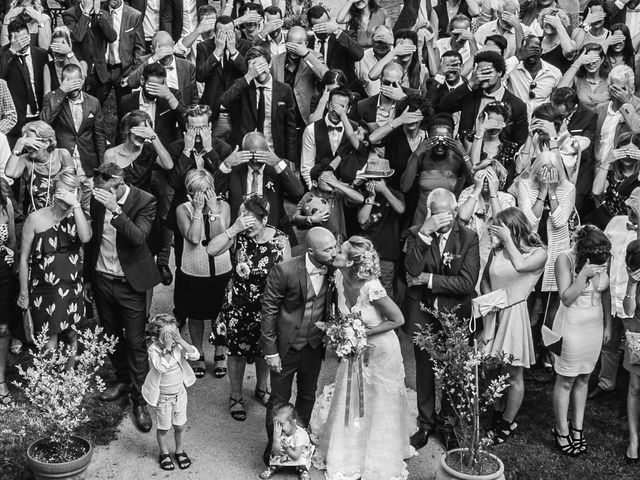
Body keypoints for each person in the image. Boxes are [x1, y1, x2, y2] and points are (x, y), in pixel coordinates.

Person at [311, 236, 413, 479]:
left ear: (349, 263)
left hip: (380, 351)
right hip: (355, 349)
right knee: (352, 398)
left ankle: (377, 454)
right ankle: (349, 450)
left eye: (339, 251)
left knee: (377, 401)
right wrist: (344, 333)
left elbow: (397, 320)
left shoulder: (372, 288)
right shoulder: (337, 276)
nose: (334, 252)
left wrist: (360, 333)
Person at [86, 162, 162, 433]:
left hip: (131, 284)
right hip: (102, 279)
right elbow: (93, 241)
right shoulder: (97, 197)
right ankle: (122, 380)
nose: (99, 193)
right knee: (111, 336)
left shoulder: (145, 201)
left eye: (104, 189)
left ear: (117, 184)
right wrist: (88, 280)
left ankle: (140, 400)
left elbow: (139, 238)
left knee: (136, 341)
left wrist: (115, 210)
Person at [403, 188, 480, 449]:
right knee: (424, 371)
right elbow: (410, 270)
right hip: (424, 313)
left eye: (445, 215)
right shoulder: (417, 233)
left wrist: (429, 279)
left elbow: (467, 283)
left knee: (450, 371)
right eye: (435, 215)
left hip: (454, 314)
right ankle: (425, 424)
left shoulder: (469, 237)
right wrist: (425, 233)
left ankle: (447, 424)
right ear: (429, 212)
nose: (441, 220)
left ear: (456, 212)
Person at [207, 196, 291, 421]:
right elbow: (212, 250)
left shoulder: (281, 240)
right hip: (239, 306)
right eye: (244, 221)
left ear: (264, 219)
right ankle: (235, 396)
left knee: (265, 350)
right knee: (237, 353)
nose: (248, 227)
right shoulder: (239, 236)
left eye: (252, 222)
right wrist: (233, 229)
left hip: (268, 308)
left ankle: (262, 388)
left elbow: (288, 276)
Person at [260, 226, 338, 465]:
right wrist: (271, 350)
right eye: (328, 249)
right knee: (278, 401)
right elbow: (269, 310)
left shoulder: (334, 269)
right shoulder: (284, 270)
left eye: (335, 246)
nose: (334, 252)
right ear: (311, 250)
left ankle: (298, 444)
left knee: (307, 395)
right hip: (286, 348)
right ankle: (274, 446)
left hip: (314, 346)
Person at [480, 207, 547, 444]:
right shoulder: (497, 250)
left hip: (515, 314)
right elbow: (486, 279)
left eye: (501, 227)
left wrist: (508, 239)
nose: (497, 233)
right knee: (491, 370)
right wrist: (490, 303)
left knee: (513, 373)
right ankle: (497, 415)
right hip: (494, 312)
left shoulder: (539, 253)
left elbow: (519, 266)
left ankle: (507, 424)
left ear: (512, 227)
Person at [551, 225, 612, 456]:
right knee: (566, 379)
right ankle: (561, 429)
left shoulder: (601, 258)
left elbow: (605, 292)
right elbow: (566, 298)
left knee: (585, 378)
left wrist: (607, 323)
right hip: (572, 326)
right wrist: (584, 275)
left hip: (594, 326)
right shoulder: (564, 259)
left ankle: (577, 428)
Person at [17, 168, 91, 353]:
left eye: (71, 192)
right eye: (61, 192)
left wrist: (76, 206)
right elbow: (24, 258)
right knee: (48, 339)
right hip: (44, 286)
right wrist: (24, 292)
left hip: (72, 283)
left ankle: (70, 377)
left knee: (72, 335)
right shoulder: (35, 218)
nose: (65, 197)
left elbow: (85, 237)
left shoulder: (80, 216)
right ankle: (50, 379)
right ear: (53, 193)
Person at [174, 170, 232, 381]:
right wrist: (197, 211)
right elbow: (194, 237)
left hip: (221, 269)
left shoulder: (223, 206)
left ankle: (220, 352)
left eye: (206, 190)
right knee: (195, 314)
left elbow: (219, 235)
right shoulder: (183, 209)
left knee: (221, 314)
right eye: (197, 191)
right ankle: (197, 353)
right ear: (189, 192)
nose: (203, 196)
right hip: (194, 270)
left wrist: (214, 210)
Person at [517, 152, 575, 355]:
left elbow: (560, 221)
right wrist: (541, 192)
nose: (548, 174)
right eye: (544, 170)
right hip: (532, 252)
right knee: (527, 303)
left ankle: (547, 351)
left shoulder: (569, 189)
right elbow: (528, 221)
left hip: (556, 254)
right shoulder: (525, 186)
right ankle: (526, 350)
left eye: (553, 171)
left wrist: (552, 192)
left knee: (552, 305)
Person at [588, 188, 640, 402]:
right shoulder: (617, 221)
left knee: (634, 348)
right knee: (608, 341)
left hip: (634, 299)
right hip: (612, 291)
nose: (629, 210)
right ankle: (606, 382)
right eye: (629, 205)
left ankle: (632, 391)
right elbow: (605, 253)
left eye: (634, 207)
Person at [216, 131, 303, 244]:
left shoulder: (277, 167)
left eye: (259, 155)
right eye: (251, 155)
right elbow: (214, 191)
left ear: (267, 151)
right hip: (240, 234)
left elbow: (298, 192)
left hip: (274, 231)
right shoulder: (234, 168)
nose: (255, 160)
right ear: (243, 152)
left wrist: (278, 164)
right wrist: (225, 166)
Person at [221, 46, 298, 166]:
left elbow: (290, 129)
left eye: (261, 65)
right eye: (253, 66)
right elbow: (225, 100)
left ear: (270, 63)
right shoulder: (242, 86)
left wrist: (291, 160)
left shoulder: (284, 90)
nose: (258, 70)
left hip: (274, 153)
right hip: (247, 155)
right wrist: (248, 76)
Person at [142, 313, 200, 471]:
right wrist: (167, 348)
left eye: (174, 335)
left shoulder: (178, 346)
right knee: (163, 428)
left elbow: (195, 355)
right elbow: (161, 366)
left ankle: (179, 450)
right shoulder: (154, 350)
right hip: (164, 399)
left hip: (180, 395)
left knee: (180, 426)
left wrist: (181, 340)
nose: (172, 340)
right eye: (168, 337)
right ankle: (164, 453)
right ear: (155, 339)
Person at [439, 51, 529, 147]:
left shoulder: (517, 105)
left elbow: (519, 141)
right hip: (464, 154)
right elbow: (443, 107)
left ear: (500, 72)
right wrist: (470, 83)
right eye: (479, 72)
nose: (482, 77)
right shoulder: (469, 95)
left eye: (487, 72)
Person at [400, 113, 472, 227]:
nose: (440, 144)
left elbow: (474, 183)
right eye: (435, 139)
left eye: (445, 140)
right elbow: (404, 187)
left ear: (453, 137)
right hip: (422, 219)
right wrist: (416, 154)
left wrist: (464, 153)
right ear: (428, 136)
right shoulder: (421, 155)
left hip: (447, 220)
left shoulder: (458, 158)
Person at [40, 63, 106, 177]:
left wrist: (102, 165)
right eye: (69, 83)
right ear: (63, 82)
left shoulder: (93, 102)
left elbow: (99, 136)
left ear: (82, 80)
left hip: (87, 161)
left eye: (76, 82)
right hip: (62, 162)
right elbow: (44, 122)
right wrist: (61, 92)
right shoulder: (52, 98)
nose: (73, 87)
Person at [457, 160, 516, 280]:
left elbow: (501, 223)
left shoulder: (507, 199)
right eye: (482, 175)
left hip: (494, 255)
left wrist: (494, 192)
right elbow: (463, 216)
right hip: (468, 254)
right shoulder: (468, 193)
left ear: (498, 179)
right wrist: (477, 189)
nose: (485, 179)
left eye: (489, 176)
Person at [196, 14, 250, 141]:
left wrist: (233, 51)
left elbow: (248, 72)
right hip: (213, 110)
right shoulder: (204, 47)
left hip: (239, 109)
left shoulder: (245, 46)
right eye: (221, 33)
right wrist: (217, 51)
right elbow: (200, 76)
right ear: (215, 33)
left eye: (229, 32)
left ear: (235, 32)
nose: (225, 36)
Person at [4, 120, 76, 214]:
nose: (28, 146)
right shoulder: (25, 160)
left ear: (46, 143)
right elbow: (9, 173)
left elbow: (75, 187)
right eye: (26, 142)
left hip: (63, 214)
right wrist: (20, 143)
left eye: (31, 142)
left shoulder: (62, 155)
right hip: (36, 217)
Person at [357, 160, 406, 298]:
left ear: (385, 179)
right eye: (369, 179)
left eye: (377, 179)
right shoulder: (363, 194)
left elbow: (400, 209)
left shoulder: (395, 194)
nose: (372, 183)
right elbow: (362, 220)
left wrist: (384, 190)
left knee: (385, 291)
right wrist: (371, 198)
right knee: (364, 290)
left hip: (387, 254)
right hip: (366, 252)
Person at [0, 18, 48, 147]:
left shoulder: (40, 54)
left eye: (26, 38)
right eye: (20, 40)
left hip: (39, 117)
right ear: (12, 39)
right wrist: (12, 51)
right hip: (16, 122)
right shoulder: (4, 55)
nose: (24, 43)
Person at [270, 26, 328, 131]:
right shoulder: (275, 61)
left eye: (298, 45)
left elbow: (326, 77)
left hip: (305, 119)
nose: (294, 50)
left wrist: (305, 54)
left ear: (306, 44)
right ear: (286, 43)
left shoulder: (314, 57)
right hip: (282, 120)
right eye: (291, 45)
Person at [368, 93, 429, 192]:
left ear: (423, 117)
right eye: (408, 116)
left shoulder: (427, 136)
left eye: (415, 116)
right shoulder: (394, 134)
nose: (411, 120)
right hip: (395, 192)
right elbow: (372, 138)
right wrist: (400, 120)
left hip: (420, 195)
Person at [119, 62, 187, 149]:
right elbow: (122, 132)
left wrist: (171, 99)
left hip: (164, 151)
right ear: (142, 80)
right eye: (151, 86)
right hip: (137, 150)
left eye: (159, 86)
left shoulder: (173, 95)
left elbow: (186, 124)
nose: (155, 90)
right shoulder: (127, 101)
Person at [104, 111, 173, 194]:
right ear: (128, 129)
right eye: (140, 131)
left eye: (145, 132)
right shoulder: (112, 154)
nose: (142, 136)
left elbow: (168, 165)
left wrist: (153, 137)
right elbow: (106, 186)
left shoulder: (149, 149)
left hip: (145, 202)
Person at [293, 164, 365, 244]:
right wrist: (310, 219)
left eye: (332, 176)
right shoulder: (309, 196)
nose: (330, 180)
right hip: (320, 242)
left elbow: (360, 199)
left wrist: (337, 184)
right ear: (315, 183)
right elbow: (295, 218)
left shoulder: (336, 193)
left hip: (339, 240)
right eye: (326, 178)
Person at [127, 31, 199, 108]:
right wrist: (154, 58)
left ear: (173, 44)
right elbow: (131, 83)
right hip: (154, 112)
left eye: (168, 53)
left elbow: (194, 98)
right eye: (162, 53)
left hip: (179, 111)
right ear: (152, 49)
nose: (165, 56)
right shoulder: (144, 61)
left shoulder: (187, 66)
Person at [307, 5, 365, 95]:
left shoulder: (344, 37)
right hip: (320, 94)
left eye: (325, 24)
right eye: (319, 27)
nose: (324, 29)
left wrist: (337, 31)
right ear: (311, 27)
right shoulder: (308, 44)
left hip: (346, 92)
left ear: (329, 21)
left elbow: (359, 54)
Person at [505, 35, 562, 119]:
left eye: (534, 49)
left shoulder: (554, 73)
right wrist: (518, 58)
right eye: (527, 50)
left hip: (541, 121)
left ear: (541, 51)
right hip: (516, 120)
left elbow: (555, 102)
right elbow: (498, 73)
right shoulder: (512, 68)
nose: (530, 53)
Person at [592, 133, 640, 229]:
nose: (627, 156)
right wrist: (606, 162)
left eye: (632, 153)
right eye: (623, 152)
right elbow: (596, 191)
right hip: (611, 222)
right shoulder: (609, 171)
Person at [594, 65, 640, 165]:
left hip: (626, 170)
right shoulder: (600, 108)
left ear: (632, 89)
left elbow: (637, 130)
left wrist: (625, 103)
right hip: (601, 169)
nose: (617, 93)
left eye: (622, 88)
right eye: (614, 88)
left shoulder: (638, 107)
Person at [467, 101, 519, 185]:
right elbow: (474, 167)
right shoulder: (471, 139)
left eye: (498, 124)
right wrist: (481, 129)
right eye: (491, 123)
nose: (494, 128)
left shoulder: (509, 147)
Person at [622, 238, 640, 464]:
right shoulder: (635, 275)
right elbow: (628, 309)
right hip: (638, 333)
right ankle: (634, 439)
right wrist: (632, 284)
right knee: (635, 388)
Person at [368, 29, 430, 95]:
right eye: (401, 48)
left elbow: (424, 98)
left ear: (415, 48)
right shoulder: (389, 66)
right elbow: (372, 75)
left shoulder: (422, 70)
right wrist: (394, 52)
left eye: (408, 47)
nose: (404, 52)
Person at [261, 403, 313, 480]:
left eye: (281, 424)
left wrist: (287, 449)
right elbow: (276, 452)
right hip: (287, 451)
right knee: (273, 453)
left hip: (298, 453)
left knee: (302, 458)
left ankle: (303, 470)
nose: (278, 428)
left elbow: (296, 456)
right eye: (276, 424)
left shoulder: (300, 435)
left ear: (294, 422)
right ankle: (273, 467)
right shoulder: (280, 431)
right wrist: (275, 438)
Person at [556, 43, 611, 110]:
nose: (591, 63)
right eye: (588, 59)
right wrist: (578, 63)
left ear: (602, 60)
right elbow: (559, 91)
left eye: (594, 59)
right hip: (582, 118)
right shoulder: (577, 79)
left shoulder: (609, 79)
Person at [0, 179, 15, 404]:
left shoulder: (5, 204)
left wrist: (11, 253)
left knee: (2, 328)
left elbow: (12, 239)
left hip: (2, 270)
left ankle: (0, 379)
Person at [42, 26, 85, 94]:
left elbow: (82, 80)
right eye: (56, 47)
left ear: (69, 46)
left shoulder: (76, 63)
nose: (59, 51)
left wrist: (69, 52)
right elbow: (47, 98)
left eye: (61, 47)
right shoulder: (48, 67)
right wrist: (62, 90)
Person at [355, 25, 394, 97]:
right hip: (369, 104)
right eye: (379, 41)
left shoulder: (398, 56)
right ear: (371, 40)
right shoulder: (362, 58)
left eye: (386, 42)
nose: (382, 45)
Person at [538, 7, 577, 74]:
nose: (549, 24)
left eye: (553, 21)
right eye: (547, 20)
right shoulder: (536, 41)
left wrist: (558, 25)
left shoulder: (568, 44)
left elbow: (569, 50)